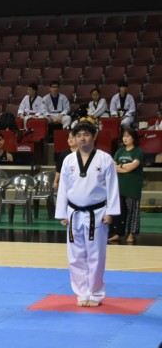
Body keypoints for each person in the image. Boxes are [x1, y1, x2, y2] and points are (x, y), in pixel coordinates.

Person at [55, 121, 120, 307]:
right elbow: (63, 188)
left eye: (86, 134)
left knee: (96, 256)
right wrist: (62, 213)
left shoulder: (105, 159)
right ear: (74, 138)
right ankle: (82, 293)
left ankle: (96, 293)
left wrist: (111, 212)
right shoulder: (68, 160)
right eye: (78, 135)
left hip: (97, 213)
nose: (82, 138)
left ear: (94, 136)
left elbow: (112, 187)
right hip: (73, 213)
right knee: (75, 256)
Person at [109, 128, 144, 244]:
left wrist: (121, 166)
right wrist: (125, 168)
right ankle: (117, 233)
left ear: (134, 138)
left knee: (133, 212)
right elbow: (113, 166)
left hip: (132, 187)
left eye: (128, 136)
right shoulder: (119, 151)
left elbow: (133, 166)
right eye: (124, 136)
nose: (125, 138)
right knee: (119, 212)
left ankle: (131, 234)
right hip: (120, 186)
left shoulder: (138, 152)